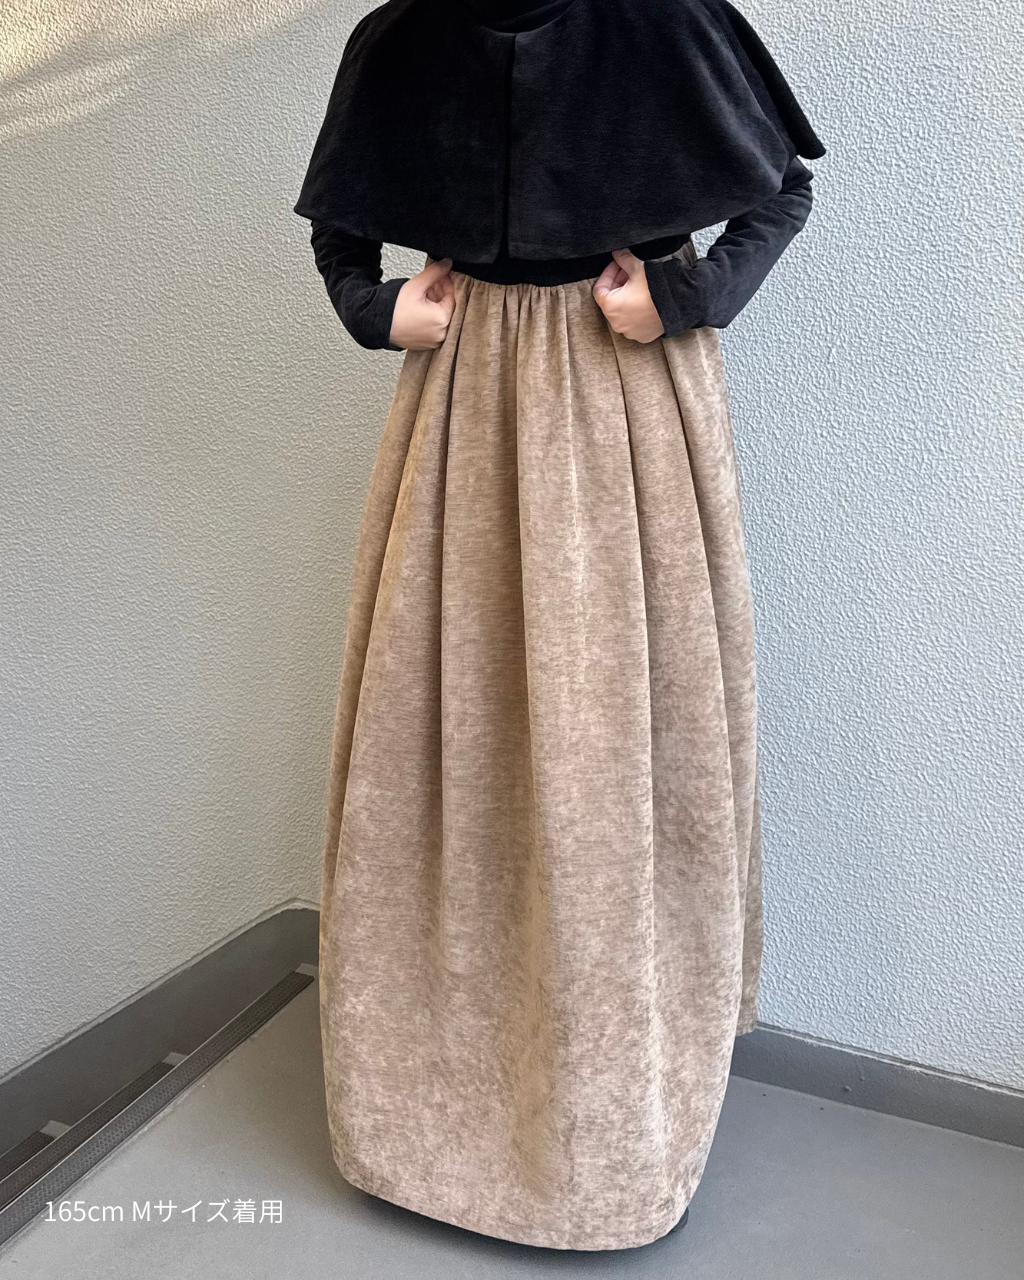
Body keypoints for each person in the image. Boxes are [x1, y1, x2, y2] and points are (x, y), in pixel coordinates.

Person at [294, 0, 825, 1251]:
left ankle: (605, 1123)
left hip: (626, 394)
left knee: (615, 744)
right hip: (463, 404)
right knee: (438, 731)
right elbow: (339, 228)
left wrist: (686, 292)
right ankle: (425, 1111)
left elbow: (781, 190)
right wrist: (377, 311)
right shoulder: (403, 35)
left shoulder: (664, 22)